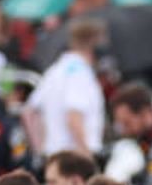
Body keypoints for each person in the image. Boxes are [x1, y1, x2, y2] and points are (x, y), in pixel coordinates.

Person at [28, 19, 107, 158]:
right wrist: (87, 155)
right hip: (75, 158)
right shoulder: (80, 73)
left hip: (55, 156)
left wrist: (40, 151)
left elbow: (29, 113)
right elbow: (73, 117)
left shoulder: (55, 70)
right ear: (93, 45)